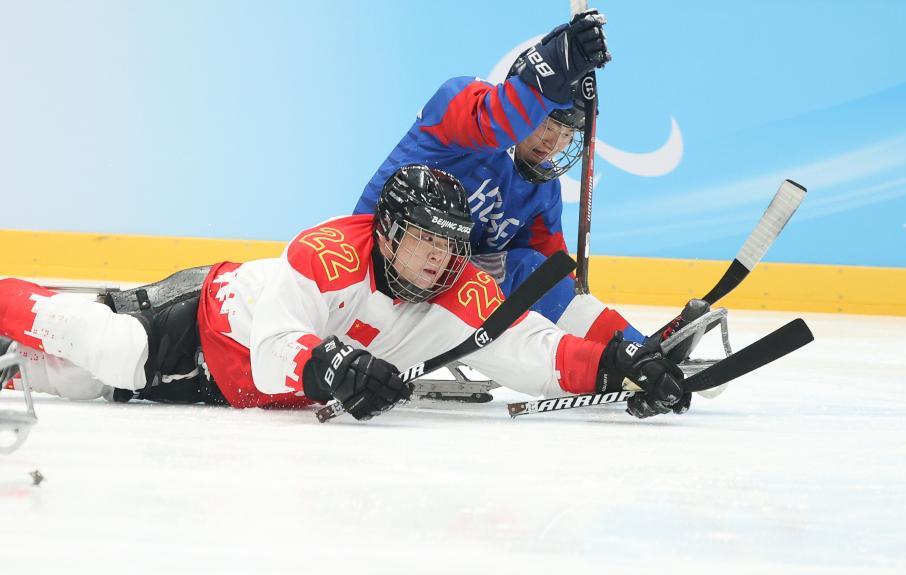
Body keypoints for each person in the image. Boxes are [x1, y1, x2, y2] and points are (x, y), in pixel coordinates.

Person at [0, 166, 687, 433]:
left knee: (79, 384)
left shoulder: (461, 290)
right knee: (115, 351)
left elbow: (536, 353)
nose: (439, 257)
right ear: (386, 233)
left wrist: (618, 362)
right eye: (424, 238)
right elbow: (273, 349)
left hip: (235, 396)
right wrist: (334, 365)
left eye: (451, 243)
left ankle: (10, 364)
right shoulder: (327, 252)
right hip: (210, 323)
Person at [353, 11, 677, 347]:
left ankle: (633, 349)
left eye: (567, 134)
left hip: (436, 288)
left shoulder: (541, 189)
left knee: (538, 272)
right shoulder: (459, 105)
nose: (554, 143)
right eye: (548, 126)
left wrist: (591, 327)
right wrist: (555, 62)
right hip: (374, 274)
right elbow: (497, 121)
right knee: (521, 271)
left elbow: (553, 276)